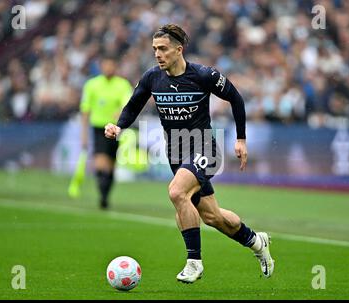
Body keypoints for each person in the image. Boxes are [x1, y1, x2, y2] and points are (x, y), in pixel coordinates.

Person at [104, 24, 274, 283]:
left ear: (178, 49)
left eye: (163, 49)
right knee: (213, 217)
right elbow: (133, 105)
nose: (157, 54)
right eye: (154, 49)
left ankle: (194, 262)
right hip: (176, 153)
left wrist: (241, 139)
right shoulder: (152, 78)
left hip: (205, 148)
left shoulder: (203, 75)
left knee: (176, 192)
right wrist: (119, 126)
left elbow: (236, 98)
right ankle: (256, 241)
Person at [80, 56, 133, 209]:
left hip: (115, 130)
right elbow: (85, 110)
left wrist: (120, 113)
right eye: (106, 65)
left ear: (115, 67)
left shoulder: (122, 85)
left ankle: (105, 196)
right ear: (101, 66)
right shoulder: (92, 85)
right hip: (98, 128)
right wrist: (83, 134)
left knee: (110, 165)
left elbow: (127, 104)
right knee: (101, 163)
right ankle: (103, 196)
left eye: (111, 65)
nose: (109, 68)